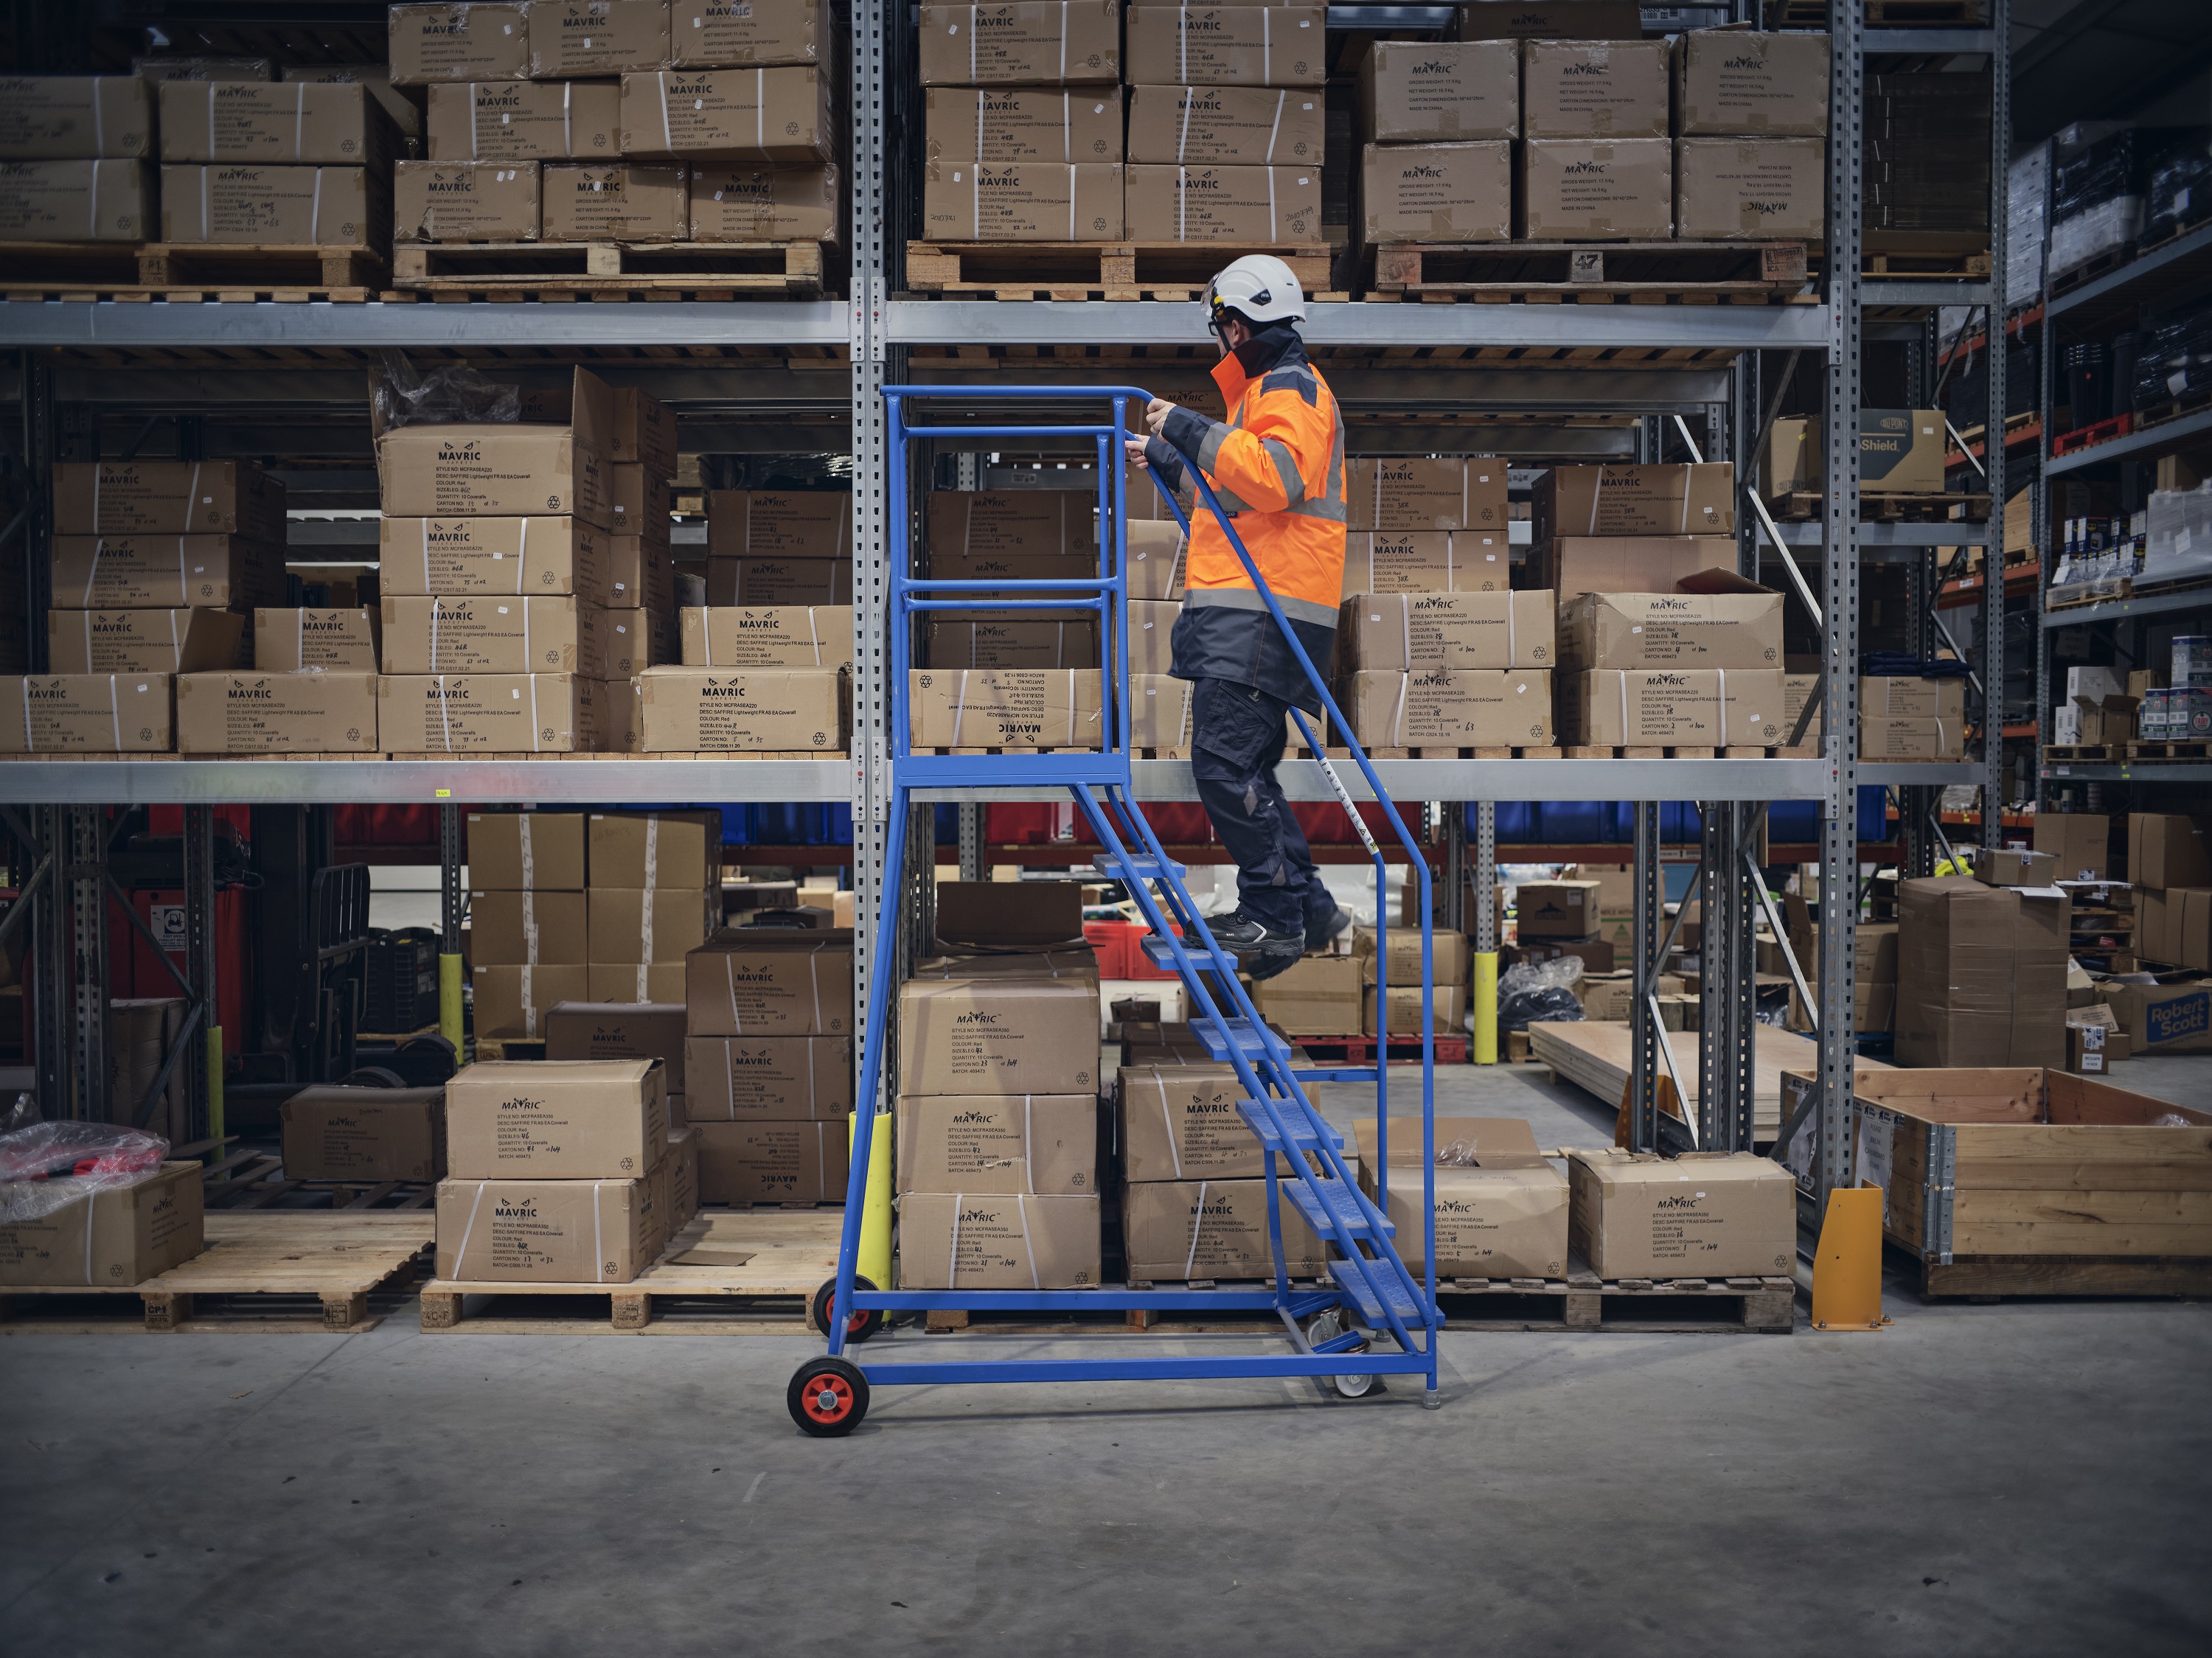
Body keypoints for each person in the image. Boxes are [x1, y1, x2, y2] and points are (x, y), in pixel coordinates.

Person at [1124, 254, 1352, 982]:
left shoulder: (1290, 386)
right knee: (1245, 767)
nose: (1220, 339)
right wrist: (1169, 454)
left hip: (1261, 613)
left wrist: (1186, 425)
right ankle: (1309, 905)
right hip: (1250, 611)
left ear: (1236, 323)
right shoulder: (1263, 394)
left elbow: (1275, 476)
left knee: (1223, 767)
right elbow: (1234, 492)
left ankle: (1273, 914)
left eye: (1221, 326)